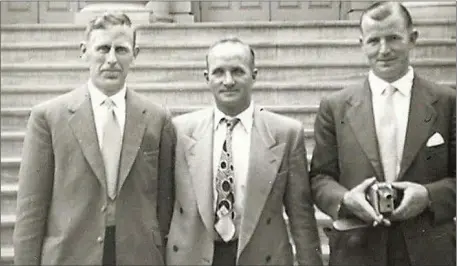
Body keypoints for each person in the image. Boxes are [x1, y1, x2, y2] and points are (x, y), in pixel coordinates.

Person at [13, 13, 175, 265]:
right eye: (102, 48)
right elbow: (31, 207)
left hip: (138, 254)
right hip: (70, 254)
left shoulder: (157, 118)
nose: (111, 59)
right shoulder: (49, 117)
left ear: (135, 54)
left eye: (121, 49)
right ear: (84, 51)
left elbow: (165, 203)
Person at [310, 2, 455, 266]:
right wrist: (345, 199)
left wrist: (428, 196)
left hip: (429, 250)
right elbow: (320, 178)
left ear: (413, 39)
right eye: (374, 40)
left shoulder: (447, 102)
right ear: (361, 44)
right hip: (358, 248)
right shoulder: (335, 106)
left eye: (393, 39)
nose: (384, 50)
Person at [165, 37, 323, 266]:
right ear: (206, 77)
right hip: (193, 256)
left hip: (261, 256)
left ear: (254, 75)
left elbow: (301, 214)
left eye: (237, 71)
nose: (228, 81)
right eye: (219, 72)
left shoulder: (285, 133)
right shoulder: (180, 131)